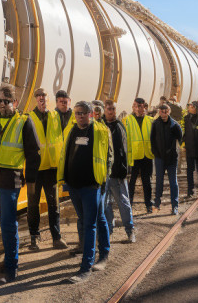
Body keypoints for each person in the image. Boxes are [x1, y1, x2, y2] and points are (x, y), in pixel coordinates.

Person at [0, 84, 41, 283]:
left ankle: (11, 267)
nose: (2, 104)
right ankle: (9, 260)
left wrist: (32, 181)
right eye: (0, 100)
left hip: (12, 179)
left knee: (9, 224)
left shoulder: (24, 122)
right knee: (4, 223)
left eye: (6, 101)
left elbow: (34, 154)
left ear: (15, 103)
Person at [58, 101, 113, 283]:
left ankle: (86, 268)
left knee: (90, 224)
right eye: (77, 113)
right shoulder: (71, 130)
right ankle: (103, 252)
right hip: (74, 186)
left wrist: (103, 180)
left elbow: (108, 157)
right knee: (94, 219)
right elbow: (65, 154)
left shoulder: (101, 131)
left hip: (92, 186)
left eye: (83, 113)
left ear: (90, 114)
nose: (80, 116)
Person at [25, 88, 68, 251]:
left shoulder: (55, 116)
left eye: (44, 96)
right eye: (39, 97)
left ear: (48, 99)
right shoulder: (29, 118)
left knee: (53, 204)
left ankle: (56, 238)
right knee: (33, 205)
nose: (42, 99)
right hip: (34, 170)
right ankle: (34, 238)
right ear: (35, 99)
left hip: (51, 168)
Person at [103, 100, 135, 243]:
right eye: (108, 109)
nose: (110, 112)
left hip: (117, 173)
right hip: (103, 174)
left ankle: (130, 230)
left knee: (123, 202)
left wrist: (125, 170)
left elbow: (124, 149)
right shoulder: (99, 126)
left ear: (116, 110)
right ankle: (108, 232)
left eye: (113, 109)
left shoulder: (119, 127)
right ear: (105, 110)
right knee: (106, 205)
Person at [150, 104, 184, 215]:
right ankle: (157, 203)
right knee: (159, 181)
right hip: (159, 158)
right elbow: (152, 140)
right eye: (161, 111)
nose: (163, 113)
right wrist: (156, 153)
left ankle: (175, 206)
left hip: (171, 158)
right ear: (159, 112)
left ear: (169, 111)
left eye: (165, 111)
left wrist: (178, 151)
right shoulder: (155, 124)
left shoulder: (174, 125)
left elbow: (181, 139)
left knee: (173, 182)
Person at [124, 97, 154, 213]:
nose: (138, 109)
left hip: (147, 155)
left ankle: (148, 204)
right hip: (134, 157)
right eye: (136, 106)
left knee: (147, 182)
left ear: (144, 107)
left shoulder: (150, 120)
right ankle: (129, 205)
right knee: (131, 183)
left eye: (141, 106)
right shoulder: (127, 120)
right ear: (133, 107)